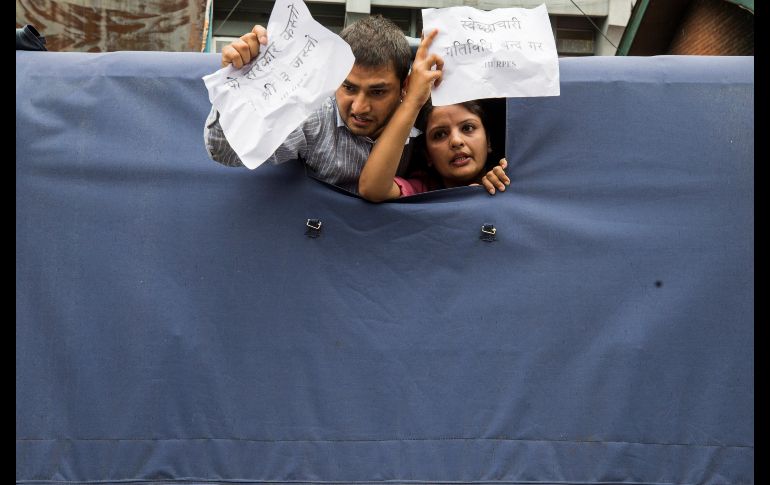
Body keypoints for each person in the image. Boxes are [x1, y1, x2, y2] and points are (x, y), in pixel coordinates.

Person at [204, 15, 432, 195]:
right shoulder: (313, 119)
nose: (360, 108)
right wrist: (242, 85)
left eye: (378, 92)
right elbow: (225, 152)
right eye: (349, 88)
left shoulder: (422, 113)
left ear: (405, 86)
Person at [357, 36, 509, 202]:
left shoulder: (509, 177)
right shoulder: (421, 191)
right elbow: (372, 189)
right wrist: (413, 100)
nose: (456, 141)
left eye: (468, 128)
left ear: (488, 141)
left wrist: (505, 185)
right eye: (440, 134)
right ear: (427, 154)